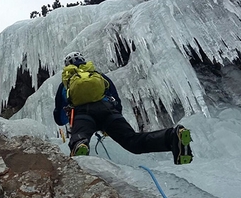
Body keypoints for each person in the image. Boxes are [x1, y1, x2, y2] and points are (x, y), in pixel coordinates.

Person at [53, 51, 193, 164]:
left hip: (82, 115)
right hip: (108, 111)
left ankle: (80, 143)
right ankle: (172, 137)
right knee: (132, 141)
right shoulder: (98, 76)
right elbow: (116, 100)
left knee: (79, 139)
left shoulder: (66, 83)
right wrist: (111, 122)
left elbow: (59, 117)